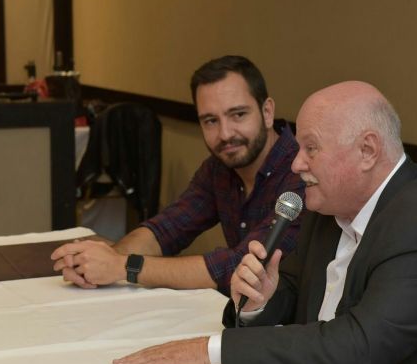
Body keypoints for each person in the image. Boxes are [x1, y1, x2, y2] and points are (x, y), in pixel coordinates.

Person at [112, 81, 417, 364]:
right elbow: (294, 299)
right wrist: (262, 302)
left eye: (311, 148)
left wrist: (210, 351)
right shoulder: (325, 206)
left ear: (367, 151)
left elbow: (357, 344)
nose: (297, 161)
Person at [51, 56, 304, 295]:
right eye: (210, 121)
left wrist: (123, 266)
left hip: (294, 329)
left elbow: (239, 266)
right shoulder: (219, 168)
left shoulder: (301, 172)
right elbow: (167, 228)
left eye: (238, 114)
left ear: (267, 112)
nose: (225, 133)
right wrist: (96, 262)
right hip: (240, 317)